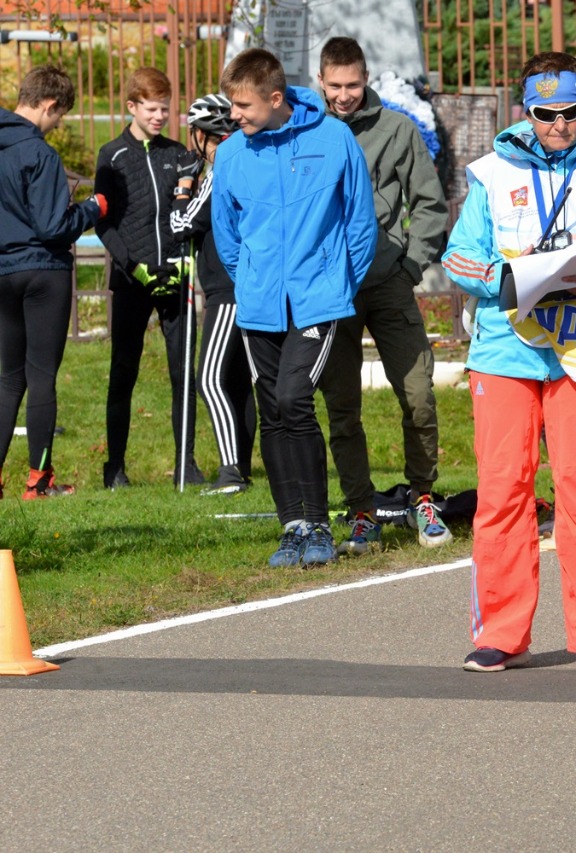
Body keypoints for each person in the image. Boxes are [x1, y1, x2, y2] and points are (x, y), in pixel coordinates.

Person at [440, 51, 576, 676]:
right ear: (524, 110)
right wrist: (510, 277)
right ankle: (501, 630)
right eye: (545, 113)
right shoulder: (492, 172)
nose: (558, 124)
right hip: (505, 349)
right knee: (502, 490)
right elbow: (458, 258)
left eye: (571, 112)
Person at [211, 48, 377, 567]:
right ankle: (293, 527)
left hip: (316, 301)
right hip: (260, 305)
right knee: (271, 411)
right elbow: (228, 235)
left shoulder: (333, 139)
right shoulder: (233, 153)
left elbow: (359, 223)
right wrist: (255, 281)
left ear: (275, 98)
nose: (234, 115)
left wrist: (335, 284)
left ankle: (320, 525)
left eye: (242, 105)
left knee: (294, 400)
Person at [314, 37, 451, 556]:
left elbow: (429, 203)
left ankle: (424, 497)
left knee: (417, 396)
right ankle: (361, 509)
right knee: (342, 406)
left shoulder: (396, 129)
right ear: (321, 81)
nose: (345, 95)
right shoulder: (308, 131)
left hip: (389, 281)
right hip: (330, 291)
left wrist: (411, 264)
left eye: (353, 85)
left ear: (365, 78)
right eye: (335, 86)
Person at [0, 66, 105, 500]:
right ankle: (38, 480)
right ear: (49, 105)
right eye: (59, 116)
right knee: (41, 376)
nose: (57, 124)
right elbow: (51, 226)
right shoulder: (39, 154)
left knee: (7, 380)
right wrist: (92, 209)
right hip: (43, 271)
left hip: (2, 271)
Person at [95, 67, 202, 489]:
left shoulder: (178, 154)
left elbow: (190, 214)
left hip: (175, 280)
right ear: (132, 107)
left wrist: (183, 262)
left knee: (183, 372)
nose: (159, 116)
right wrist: (132, 266)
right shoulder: (112, 155)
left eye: (165, 109)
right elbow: (104, 223)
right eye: (151, 109)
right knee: (124, 371)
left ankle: (186, 464)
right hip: (132, 280)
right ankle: (115, 467)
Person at [168, 94, 256, 496]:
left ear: (204, 137)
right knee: (239, 380)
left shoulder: (220, 172)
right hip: (250, 284)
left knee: (210, 378)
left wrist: (184, 187)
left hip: (227, 290)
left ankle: (231, 471)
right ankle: (247, 465)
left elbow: (181, 223)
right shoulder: (248, 165)